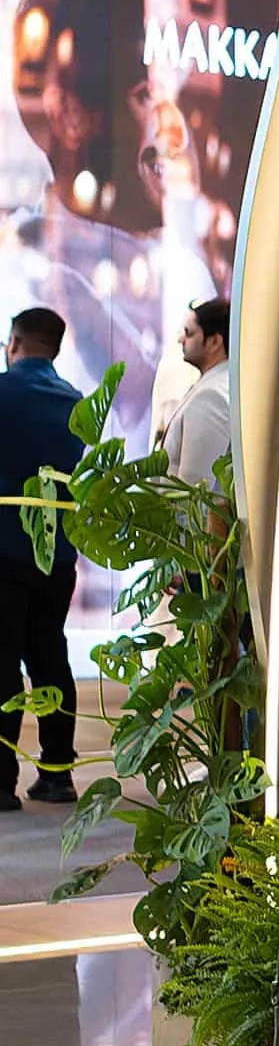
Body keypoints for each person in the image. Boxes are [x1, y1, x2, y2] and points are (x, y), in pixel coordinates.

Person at [0, 306, 84, 812]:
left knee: (0, 664)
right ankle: (57, 773)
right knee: (50, 657)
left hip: (1, 549)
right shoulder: (75, 403)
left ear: (14, 342)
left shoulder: (1, 392)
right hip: (54, 556)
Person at [160, 297, 234, 489]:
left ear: (215, 341)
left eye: (189, 333)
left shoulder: (211, 396)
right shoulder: (216, 384)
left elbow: (195, 490)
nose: (180, 339)